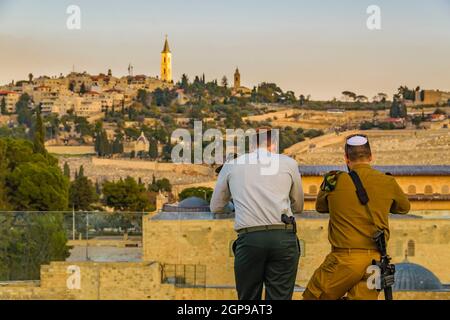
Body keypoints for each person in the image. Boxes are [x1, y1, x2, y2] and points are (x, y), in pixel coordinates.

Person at [303, 134, 410, 300]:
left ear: (346, 158)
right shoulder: (387, 182)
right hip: (375, 263)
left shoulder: (333, 180)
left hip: (344, 261)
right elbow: (403, 208)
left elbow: (320, 207)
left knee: (314, 297)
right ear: (371, 156)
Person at [210, 128, 304, 300]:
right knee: (280, 297)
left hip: (249, 239)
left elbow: (215, 207)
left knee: (248, 298)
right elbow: (298, 206)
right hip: (283, 236)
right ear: (274, 145)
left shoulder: (232, 165)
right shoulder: (289, 163)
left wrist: (236, 204)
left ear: (251, 145)